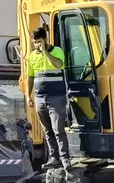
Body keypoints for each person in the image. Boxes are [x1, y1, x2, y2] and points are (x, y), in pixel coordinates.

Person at [26, 26, 70, 169]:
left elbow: (58, 64)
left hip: (56, 96)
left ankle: (65, 158)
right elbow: (30, 76)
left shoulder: (57, 51)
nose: (37, 45)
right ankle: (54, 157)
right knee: (47, 130)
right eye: (35, 42)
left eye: (39, 42)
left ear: (45, 39)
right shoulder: (32, 56)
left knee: (58, 128)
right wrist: (28, 95)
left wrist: (45, 51)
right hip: (40, 97)